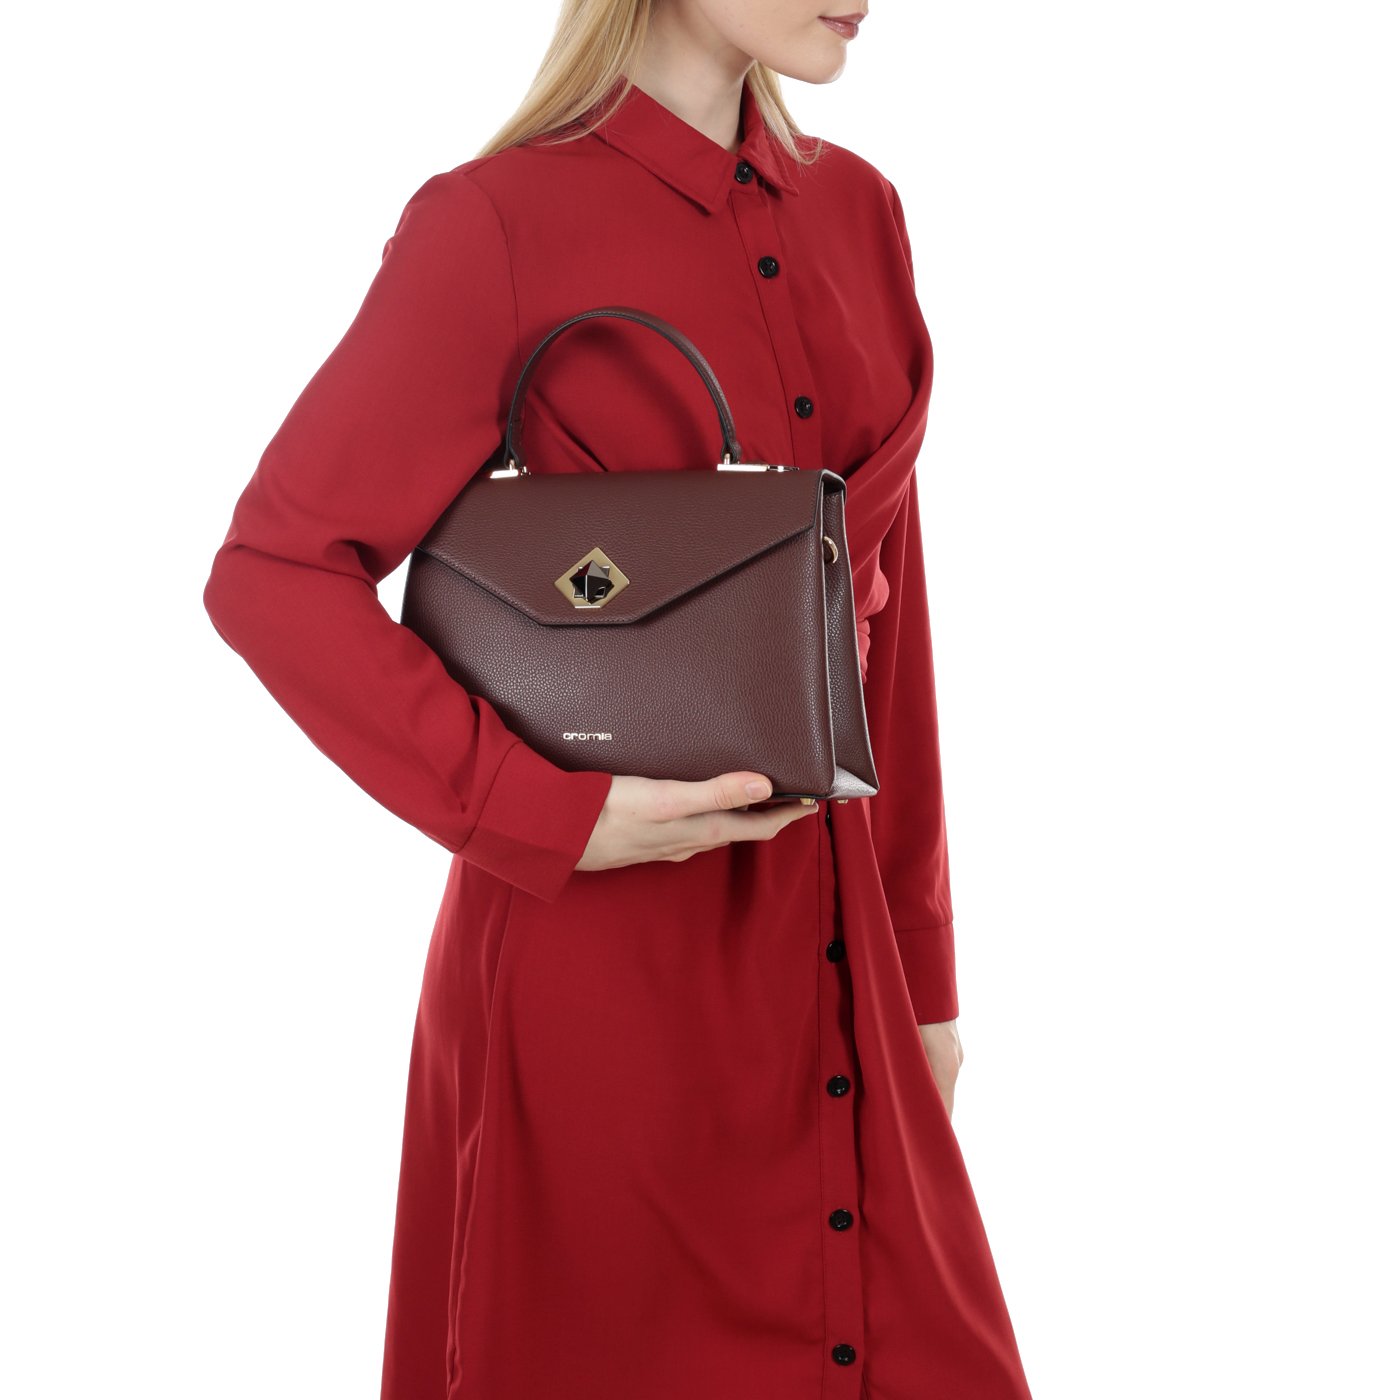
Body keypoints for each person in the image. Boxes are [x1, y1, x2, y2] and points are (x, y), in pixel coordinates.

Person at [204, 1, 1033, 1396]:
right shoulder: (493, 225)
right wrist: (539, 812)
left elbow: (887, 631)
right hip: (598, 988)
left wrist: (926, 978)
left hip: (843, 971)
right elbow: (275, 572)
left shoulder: (862, 215)